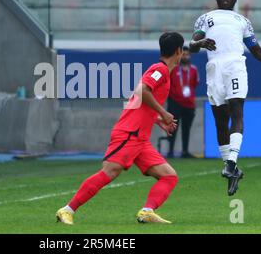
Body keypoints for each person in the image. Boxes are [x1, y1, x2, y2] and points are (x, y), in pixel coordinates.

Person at [56, 32, 183, 225]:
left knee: (169, 176)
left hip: (139, 138)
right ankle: (67, 210)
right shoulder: (160, 70)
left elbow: (137, 98)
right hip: (129, 133)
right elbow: (142, 91)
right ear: (179, 51)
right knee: (109, 172)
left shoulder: (160, 70)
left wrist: (157, 119)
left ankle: (147, 211)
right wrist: (164, 113)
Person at [189, 0, 261, 196]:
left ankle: (230, 163)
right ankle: (232, 169)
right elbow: (192, 45)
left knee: (237, 112)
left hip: (235, 66)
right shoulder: (205, 18)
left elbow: (257, 51)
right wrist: (200, 43)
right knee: (220, 121)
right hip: (214, 68)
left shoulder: (243, 21)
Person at [166, 46, 199, 159]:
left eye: (187, 54)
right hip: (174, 102)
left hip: (189, 104)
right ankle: (170, 151)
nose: (185, 56)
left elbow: (194, 84)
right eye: (183, 54)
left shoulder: (193, 69)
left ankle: (185, 151)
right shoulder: (173, 69)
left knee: (186, 128)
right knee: (172, 128)